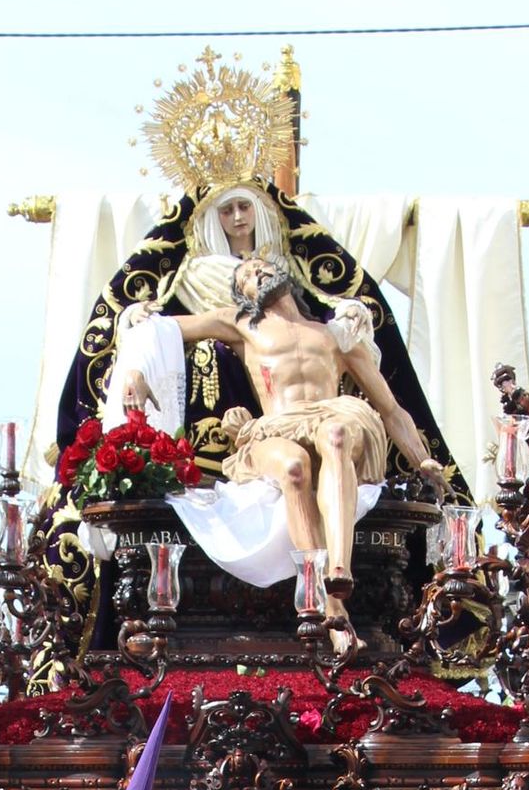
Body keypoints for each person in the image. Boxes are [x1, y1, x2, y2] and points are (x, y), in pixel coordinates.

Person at [135, 253, 447, 647]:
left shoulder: (336, 335)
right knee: (295, 468)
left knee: (336, 434)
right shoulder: (240, 324)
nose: (256, 271)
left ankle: (338, 572)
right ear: (242, 294)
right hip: (275, 427)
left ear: (285, 273)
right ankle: (328, 602)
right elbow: (163, 332)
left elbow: (390, 407)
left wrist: (422, 460)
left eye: (261, 265)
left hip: (331, 416)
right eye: (245, 275)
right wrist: (135, 366)